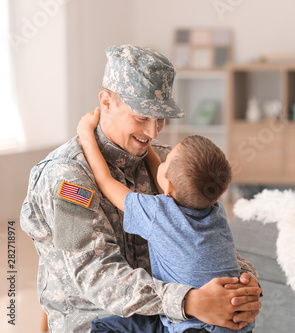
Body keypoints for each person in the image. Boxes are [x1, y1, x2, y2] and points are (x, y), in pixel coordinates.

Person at [20, 44, 261, 332]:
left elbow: (201, 237)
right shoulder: (68, 178)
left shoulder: (167, 164)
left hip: (170, 318)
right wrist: (190, 302)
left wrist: (242, 286)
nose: (153, 132)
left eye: (160, 119)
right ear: (106, 103)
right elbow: (95, 275)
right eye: (142, 118)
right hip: (98, 320)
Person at [76, 108, 254, 333]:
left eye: (167, 159)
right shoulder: (215, 210)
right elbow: (170, 184)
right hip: (235, 323)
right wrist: (145, 143)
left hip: (193, 326)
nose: (162, 158)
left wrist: (85, 132)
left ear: (167, 185)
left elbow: (105, 181)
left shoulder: (157, 213)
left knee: (103, 327)